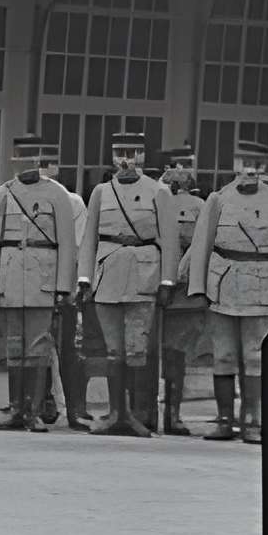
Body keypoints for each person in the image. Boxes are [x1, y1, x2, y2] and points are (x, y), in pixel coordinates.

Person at [182, 134, 268, 447]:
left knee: (256, 356)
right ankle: (223, 420)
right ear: (235, 164)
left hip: (260, 288)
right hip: (222, 287)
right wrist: (198, 287)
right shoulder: (218, 199)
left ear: (264, 167)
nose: (249, 170)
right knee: (223, 355)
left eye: (256, 165)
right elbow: (202, 246)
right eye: (243, 163)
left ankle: (254, 421)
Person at [0, 136, 85, 435]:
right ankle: (15, 410)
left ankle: (33, 412)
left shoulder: (57, 195)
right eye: (21, 157)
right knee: (14, 345)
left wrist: (65, 287)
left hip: (43, 278)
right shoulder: (4, 193)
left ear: (39, 160)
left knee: (37, 346)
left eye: (32, 157)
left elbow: (67, 245)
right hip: (11, 276)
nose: (26, 163)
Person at [79, 131, 176, 438]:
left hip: (143, 276)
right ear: (111, 156)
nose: (126, 161)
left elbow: (170, 240)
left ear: (143, 158)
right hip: (108, 276)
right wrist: (84, 278)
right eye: (120, 153)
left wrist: (166, 281)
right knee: (113, 350)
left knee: (138, 349)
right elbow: (89, 238)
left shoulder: (158, 192)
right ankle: (116, 414)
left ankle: (139, 415)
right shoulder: (100, 192)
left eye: (133, 153)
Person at [154, 145, 211, 435]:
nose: (180, 173)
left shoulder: (200, 207)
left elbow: (200, 246)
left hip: (180, 294)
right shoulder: (152, 198)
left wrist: (175, 277)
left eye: (185, 166)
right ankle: (145, 411)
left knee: (176, 355)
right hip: (148, 288)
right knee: (144, 354)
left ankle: (172, 415)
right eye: (174, 167)